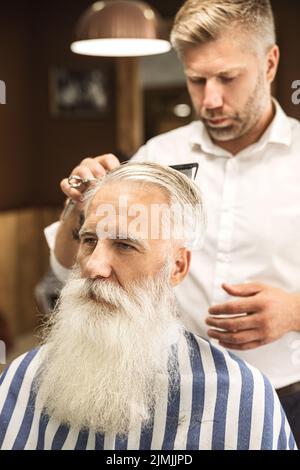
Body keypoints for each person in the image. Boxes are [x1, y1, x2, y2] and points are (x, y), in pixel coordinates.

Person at [45, 0, 300, 445]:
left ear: (270, 62)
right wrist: (76, 208)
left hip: (287, 393)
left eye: (228, 78)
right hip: (172, 392)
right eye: (196, 80)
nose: (211, 99)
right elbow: (69, 264)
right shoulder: (158, 156)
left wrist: (297, 311)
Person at [0, 163, 296, 450]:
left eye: (125, 245)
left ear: (176, 267)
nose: (94, 265)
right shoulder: (22, 378)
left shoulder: (240, 398)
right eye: (89, 240)